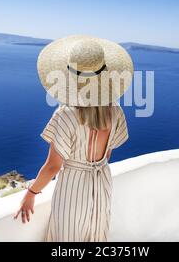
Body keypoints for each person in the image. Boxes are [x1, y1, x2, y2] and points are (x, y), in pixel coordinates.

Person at [14, 35, 133, 241]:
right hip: (102, 181)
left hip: (73, 185)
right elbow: (108, 153)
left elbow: (53, 166)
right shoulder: (116, 112)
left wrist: (31, 194)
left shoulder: (66, 114)